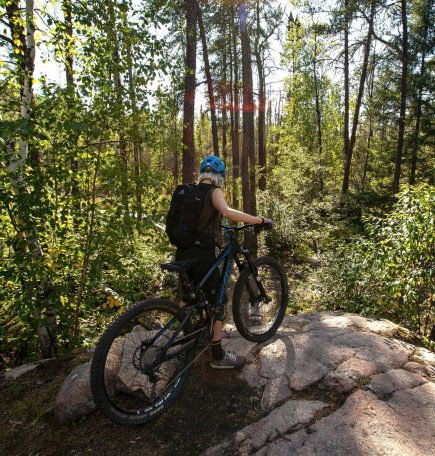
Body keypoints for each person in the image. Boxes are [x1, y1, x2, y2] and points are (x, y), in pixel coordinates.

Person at [175, 155, 272, 369]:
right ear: (219, 176)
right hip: (202, 256)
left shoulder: (187, 191)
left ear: (202, 174)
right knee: (218, 303)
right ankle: (217, 355)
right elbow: (227, 212)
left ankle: (183, 341)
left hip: (181, 254)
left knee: (187, 299)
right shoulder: (213, 191)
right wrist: (260, 220)